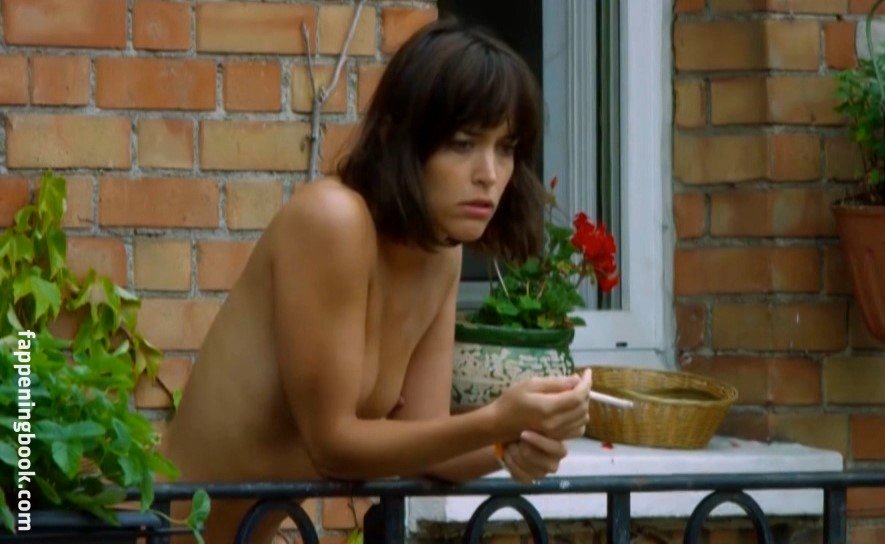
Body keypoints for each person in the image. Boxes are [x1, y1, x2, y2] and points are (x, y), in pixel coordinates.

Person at [158, 20, 591, 544]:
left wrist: (516, 440)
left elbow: (427, 447)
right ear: (397, 138)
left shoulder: (440, 255)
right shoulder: (334, 219)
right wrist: (496, 421)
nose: (490, 173)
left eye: (505, 147)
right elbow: (332, 445)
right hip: (155, 534)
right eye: (462, 143)